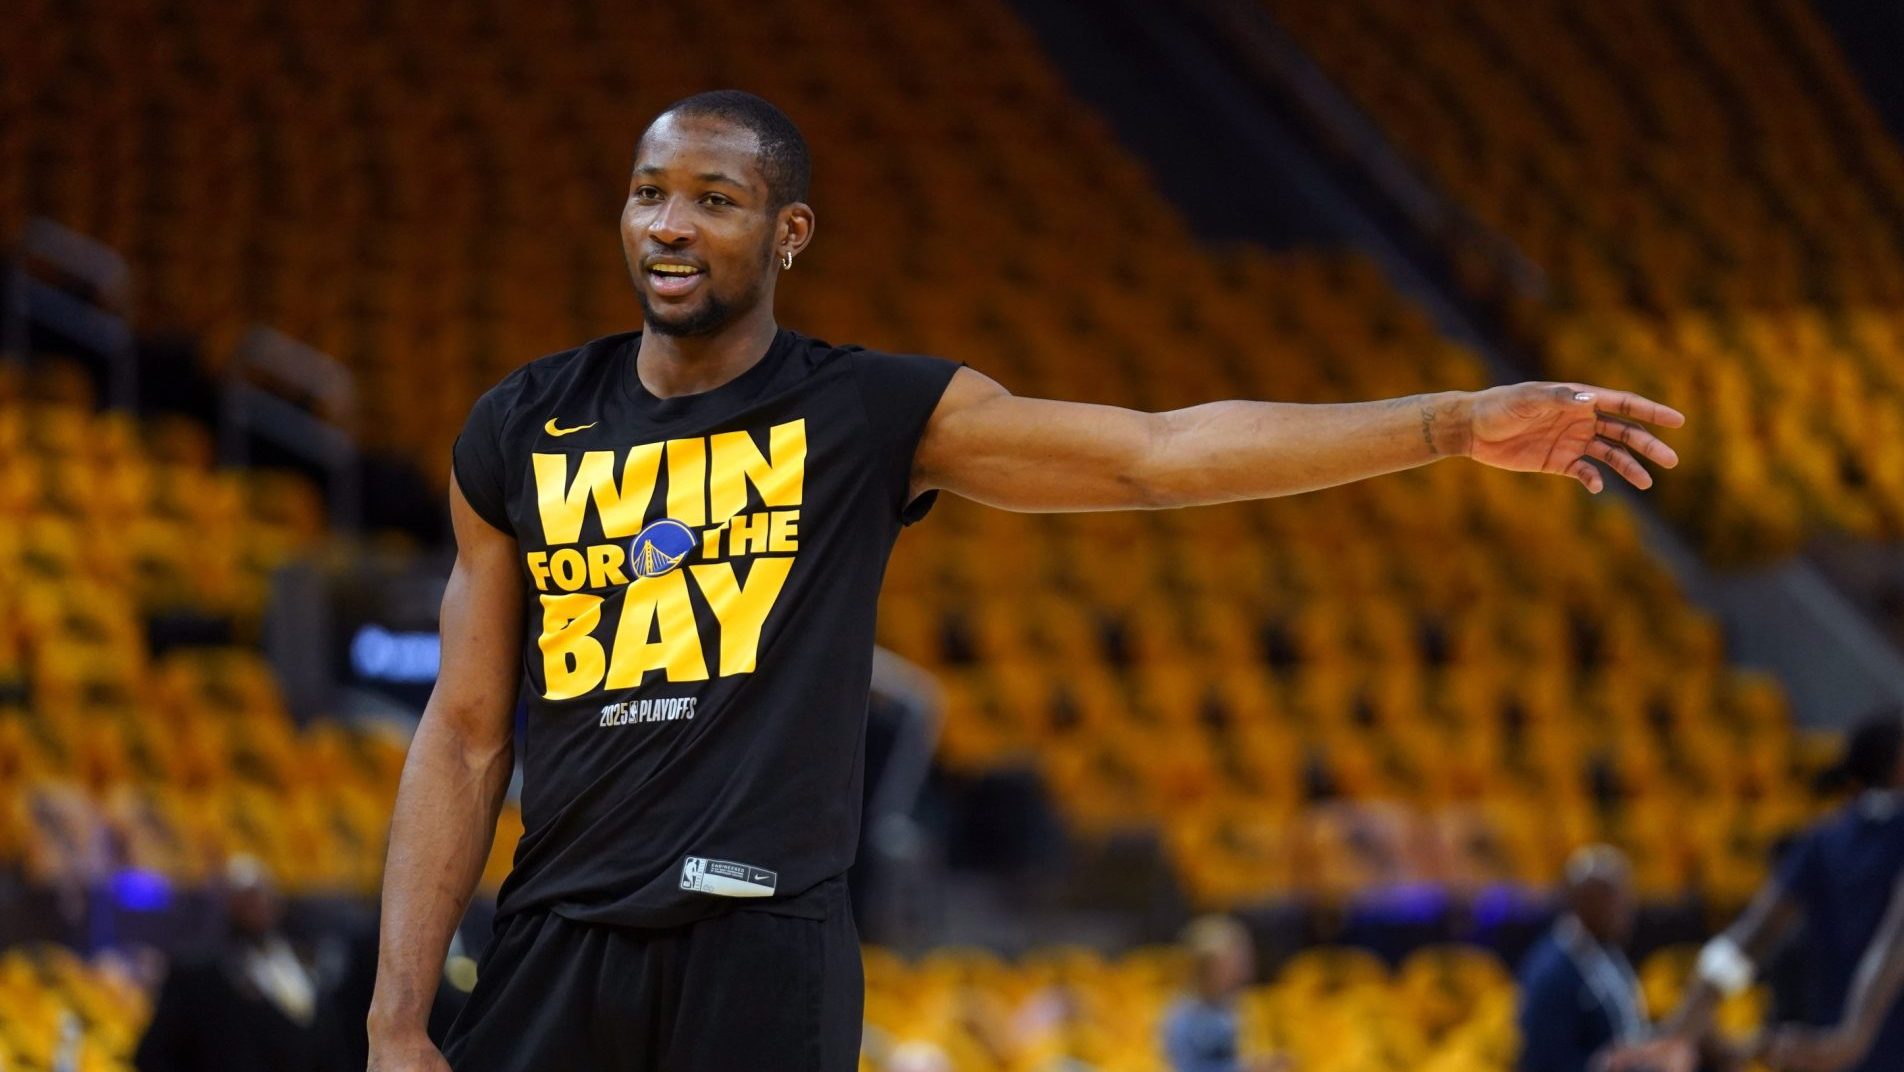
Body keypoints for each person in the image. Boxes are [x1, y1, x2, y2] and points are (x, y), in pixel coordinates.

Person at [365, 89, 1685, 1072]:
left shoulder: (867, 411)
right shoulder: (522, 427)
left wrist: (1450, 422)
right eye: (652, 191)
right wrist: (396, 1016)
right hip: (551, 944)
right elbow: (468, 735)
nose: (671, 223)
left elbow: (1156, 455)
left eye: (715, 198)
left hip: (758, 948)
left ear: (788, 231)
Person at [1661, 715, 1904, 1072]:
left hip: (1828, 1039)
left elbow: (1752, 934)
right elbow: (1895, 940)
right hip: (1870, 1037)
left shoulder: (1824, 838)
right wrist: (1854, 1036)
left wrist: (1689, 1014)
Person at [136, 856, 343, 1072]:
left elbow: (324, 1040)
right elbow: (154, 1054)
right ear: (228, 904)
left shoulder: (302, 960)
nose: (258, 905)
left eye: (263, 895)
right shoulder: (197, 973)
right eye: (247, 897)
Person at [1515, 846, 1660, 1072]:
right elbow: (1544, 1062)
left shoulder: (1605, 949)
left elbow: (1627, 1029)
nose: (1626, 911)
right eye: (1614, 900)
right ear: (1581, 902)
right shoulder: (1552, 972)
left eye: (1627, 898)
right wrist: (1610, 1063)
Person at [1161, 916, 1288, 1072]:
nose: (1239, 969)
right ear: (1204, 967)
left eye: (1242, 960)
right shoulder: (1183, 1016)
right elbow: (1185, 1067)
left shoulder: (1242, 1004)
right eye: (1231, 962)